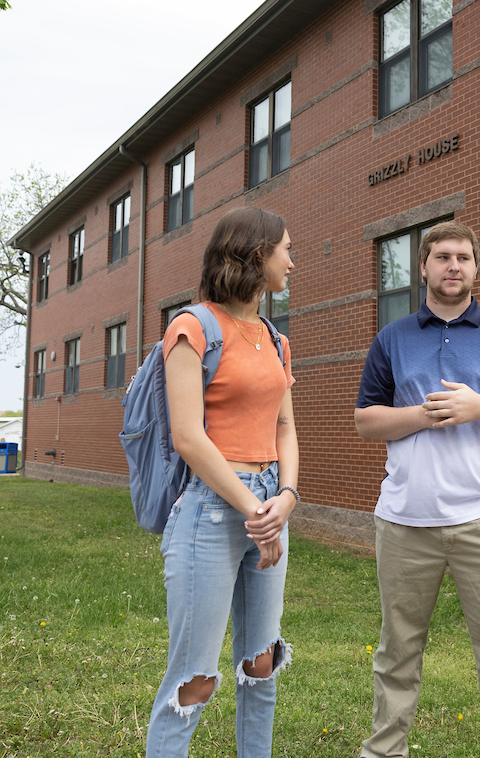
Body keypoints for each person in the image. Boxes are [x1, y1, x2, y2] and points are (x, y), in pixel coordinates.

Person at [354, 221, 480, 758]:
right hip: (405, 521)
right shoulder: (392, 338)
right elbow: (366, 421)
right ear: (423, 267)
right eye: (442, 257)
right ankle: (384, 752)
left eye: (464, 257)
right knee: (397, 652)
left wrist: (477, 408)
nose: (454, 266)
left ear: (476, 267)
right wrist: (420, 415)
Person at [146, 206, 298, 758]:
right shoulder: (192, 327)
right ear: (258, 254)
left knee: (261, 664)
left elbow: (284, 426)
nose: (291, 259)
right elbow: (188, 436)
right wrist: (255, 512)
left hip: (268, 502)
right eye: (286, 248)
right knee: (195, 680)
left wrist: (285, 497)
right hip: (211, 510)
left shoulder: (276, 340)